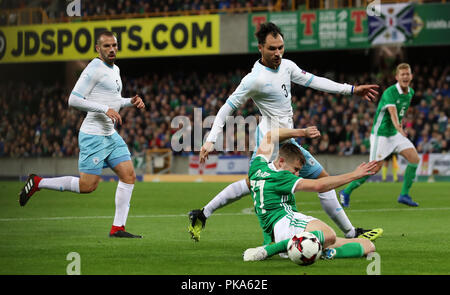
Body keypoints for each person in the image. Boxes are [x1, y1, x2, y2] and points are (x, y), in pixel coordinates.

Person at [188, 22, 381, 243]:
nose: (278, 53)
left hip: (287, 137)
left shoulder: (287, 66)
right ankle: (211, 216)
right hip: (269, 140)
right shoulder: (254, 79)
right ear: (260, 47)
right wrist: (211, 140)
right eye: (272, 48)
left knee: (315, 180)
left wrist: (352, 89)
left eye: (281, 47)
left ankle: (350, 232)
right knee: (256, 184)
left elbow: (315, 81)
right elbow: (226, 108)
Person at [18, 31, 145, 238]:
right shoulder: (94, 68)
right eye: (106, 46)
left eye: (114, 45)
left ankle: (118, 228)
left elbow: (113, 100)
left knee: (129, 175)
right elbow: (73, 100)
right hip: (93, 135)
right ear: (98, 49)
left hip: (110, 135)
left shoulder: (116, 69)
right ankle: (39, 182)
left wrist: (129, 101)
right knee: (88, 186)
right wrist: (104, 109)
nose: (111, 49)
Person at [242, 128, 377, 262]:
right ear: (281, 161)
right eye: (295, 169)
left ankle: (327, 253)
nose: (297, 174)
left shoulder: (257, 167)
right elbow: (319, 185)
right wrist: (354, 175)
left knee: (368, 246)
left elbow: (270, 136)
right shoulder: (281, 176)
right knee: (329, 234)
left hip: (281, 232)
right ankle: (268, 251)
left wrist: (303, 133)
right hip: (288, 223)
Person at [340, 63, 420, 207]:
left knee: (414, 158)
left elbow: (401, 113)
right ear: (397, 77)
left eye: (408, 74)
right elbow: (393, 112)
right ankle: (346, 191)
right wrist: (398, 126)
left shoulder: (411, 93)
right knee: (374, 169)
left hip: (395, 134)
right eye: (402, 74)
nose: (405, 77)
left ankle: (404, 195)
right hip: (381, 135)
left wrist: (398, 128)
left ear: (411, 76)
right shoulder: (390, 92)